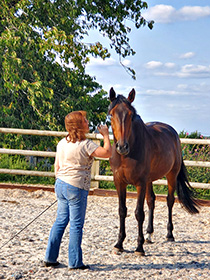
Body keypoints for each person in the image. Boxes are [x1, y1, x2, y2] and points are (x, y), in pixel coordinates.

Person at [44, 111, 111, 270]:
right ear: (79, 126)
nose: (88, 122)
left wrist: (62, 183)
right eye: (85, 120)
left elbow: (57, 166)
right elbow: (107, 153)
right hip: (76, 186)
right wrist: (106, 135)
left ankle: (50, 257)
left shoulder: (62, 143)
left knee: (60, 221)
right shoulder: (86, 145)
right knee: (76, 225)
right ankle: (74, 262)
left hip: (61, 183)